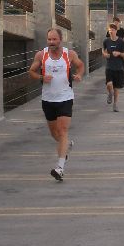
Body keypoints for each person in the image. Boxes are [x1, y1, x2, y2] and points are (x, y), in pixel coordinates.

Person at [29, 28, 84, 182]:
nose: (51, 42)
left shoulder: (69, 54)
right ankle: (66, 145)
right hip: (48, 99)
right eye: (49, 39)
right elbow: (31, 71)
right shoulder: (41, 55)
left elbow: (80, 65)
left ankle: (60, 167)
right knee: (55, 134)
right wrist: (41, 77)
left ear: (60, 39)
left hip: (65, 97)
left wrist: (79, 75)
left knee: (63, 130)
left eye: (54, 39)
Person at [102, 23, 124, 112]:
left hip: (119, 67)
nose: (111, 32)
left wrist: (119, 53)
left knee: (116, 87)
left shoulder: (120, 41)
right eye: (110, 30)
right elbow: (103, 51)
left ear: (116, 31)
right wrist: (105, 55)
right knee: (109, 84)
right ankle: (110, 93)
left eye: (112, 30)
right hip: (109, 66)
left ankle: (115, 104)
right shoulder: (106, 41)